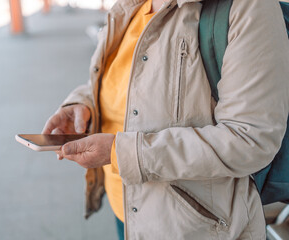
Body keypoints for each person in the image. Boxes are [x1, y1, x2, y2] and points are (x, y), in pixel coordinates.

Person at [42, 0, 289, 239]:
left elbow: (249, 138)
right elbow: (125, 82)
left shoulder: (248, 7)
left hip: (193, 227)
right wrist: (83, 103)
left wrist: (121, 153)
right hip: (127, 209)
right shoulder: (133, 4)